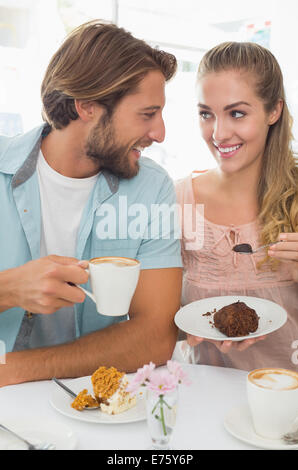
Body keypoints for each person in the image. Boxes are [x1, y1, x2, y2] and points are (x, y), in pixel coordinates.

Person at [0, 21, 183, 386]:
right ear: (87, 107)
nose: (160, 133)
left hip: (90, 405)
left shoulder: (152, 188)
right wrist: (8, 289)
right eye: (147, 114)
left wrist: (15, 370)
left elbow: (155, 336)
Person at [176, 41, 298, 371]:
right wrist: (190, 329)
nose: (218, 133)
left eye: (237, 113)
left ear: (273, 111)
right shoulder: (177, 201)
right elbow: (159, 324)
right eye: (206, 114)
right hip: (206, 404)